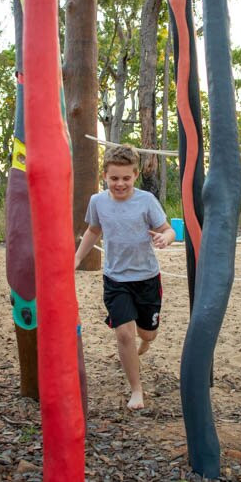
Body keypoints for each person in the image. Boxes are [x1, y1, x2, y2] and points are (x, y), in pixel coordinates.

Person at [75, 144, 175, 410]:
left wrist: (165, 237)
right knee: (123, 335)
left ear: (135, 175)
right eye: (114, 178)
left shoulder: (146, 201)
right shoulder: (98, 202)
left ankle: (146, 341)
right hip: (116, 280)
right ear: (104, 176)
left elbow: (167, 229)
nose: (120, 184)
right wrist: (77, 258)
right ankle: (136, 390)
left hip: (147, 278)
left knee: (148, 334)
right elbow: (93, 231)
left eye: (126, 178)